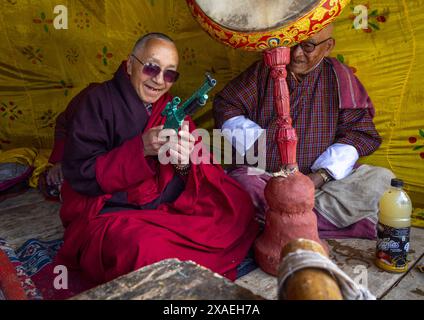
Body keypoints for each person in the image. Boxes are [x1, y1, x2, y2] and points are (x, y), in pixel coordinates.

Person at [55, 33, 259, 285]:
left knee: (237, 204)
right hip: (112, 213)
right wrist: (140, 149)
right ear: (130, 64)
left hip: (164, 207)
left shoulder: (172, 111)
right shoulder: (96, 102)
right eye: (151, 68)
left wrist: (185, 164)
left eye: (169, 74)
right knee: (143, 250)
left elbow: (205, 169)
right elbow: (81, 174)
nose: (159, 80)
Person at [213, 25, 394, 239]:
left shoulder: (338, 77)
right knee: (241, 184)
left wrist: (320, 176)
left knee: (382, 180)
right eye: (291, 44)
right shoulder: (265, 70)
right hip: (268, 180)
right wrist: (260, 143)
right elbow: (226, 106)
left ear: (328, 47)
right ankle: (326, 225)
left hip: (323, 187)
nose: (297, 53)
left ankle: (282, 223)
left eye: (308, 46)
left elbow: (359, 133)